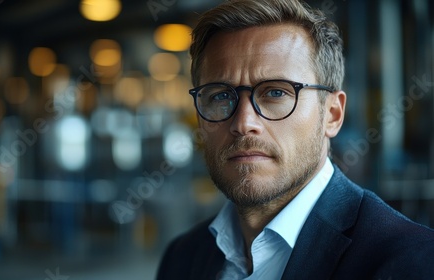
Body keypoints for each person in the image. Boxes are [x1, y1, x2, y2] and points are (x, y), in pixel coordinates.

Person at [156, 0, 434, 279]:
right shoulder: (181, 257)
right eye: (220, 95)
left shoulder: (411, 262)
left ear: (332, 115)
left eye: (276, 93)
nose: (243, 123)